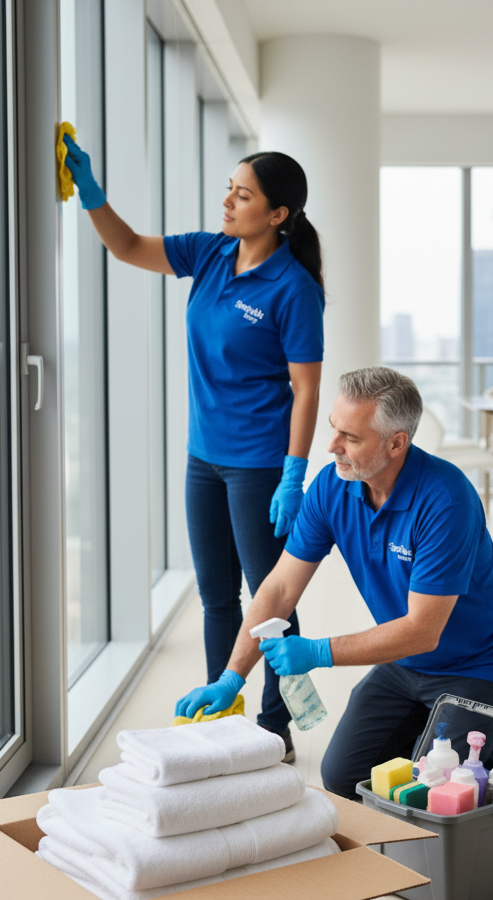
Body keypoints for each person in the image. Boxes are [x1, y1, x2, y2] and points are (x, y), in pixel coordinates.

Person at [175, 367, 493, 795]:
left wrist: (319, 652)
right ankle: (430, 727)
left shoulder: (446, 500)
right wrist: (232, 677)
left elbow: (423, 630)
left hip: (478, 664)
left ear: (396, 442)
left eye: (351, 437)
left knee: (440, 791)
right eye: (334, 429)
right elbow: (280, 588)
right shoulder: (332, 487)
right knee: (343, 777)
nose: (332, 447)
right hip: (403, 664)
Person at [62, 136, 324, 760]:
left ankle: (274, 725)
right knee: (215, 596)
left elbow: (307, 387)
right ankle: (223, 713)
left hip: (260, 463)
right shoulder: (210, 254)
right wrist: (92, 194)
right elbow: (127, 247)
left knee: (270, 596)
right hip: (203, 459)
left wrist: (294, 473)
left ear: (278, 214)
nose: (228, 201)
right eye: (230, 189)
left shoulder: (293, 288)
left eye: (244, 194)